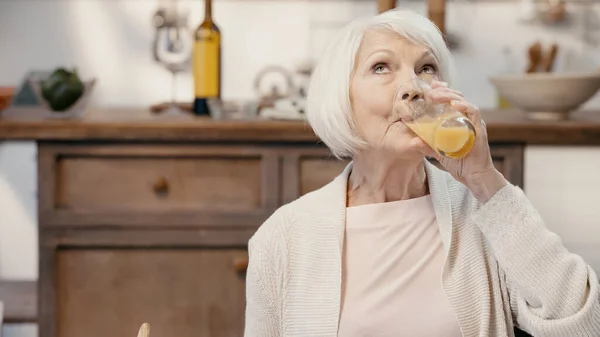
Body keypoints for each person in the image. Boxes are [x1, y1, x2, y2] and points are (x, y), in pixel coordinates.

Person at [244, 9, 600, 337]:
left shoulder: (485, 211)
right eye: (381, 67)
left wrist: (485, 181)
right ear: (341, 97)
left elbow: (583, 324)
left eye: (426, 68)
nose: (414, 86)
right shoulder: (282, 238)